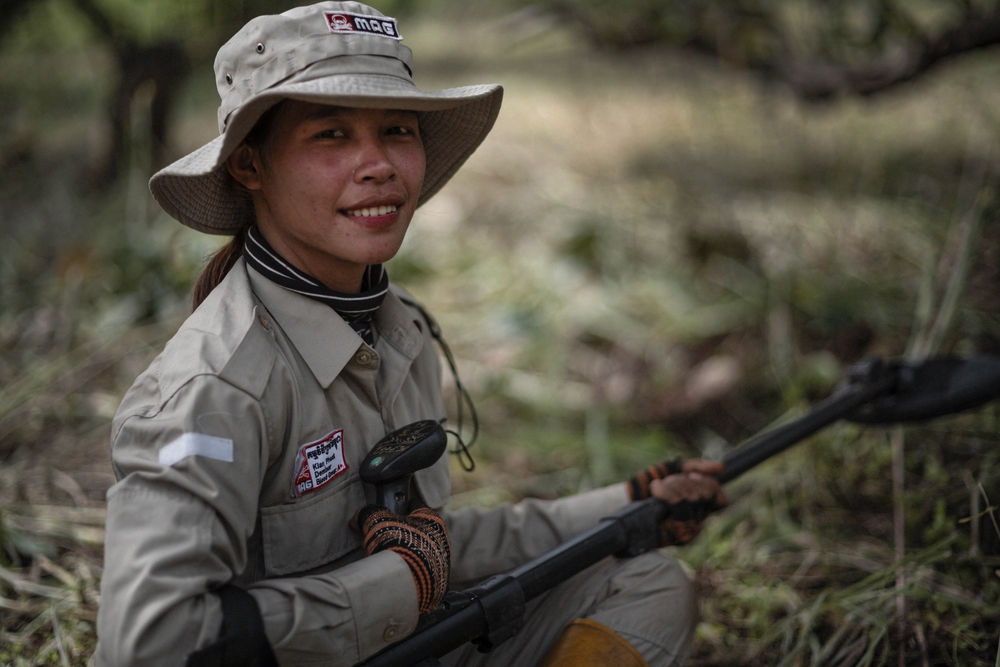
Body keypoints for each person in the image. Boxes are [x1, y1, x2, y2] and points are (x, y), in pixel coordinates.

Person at [94, 3, 727, 666]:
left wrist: (624, 506)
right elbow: (148, 641)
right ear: (250, 165)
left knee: (646, 581)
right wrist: (392, 585)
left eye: (397, 129)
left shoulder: (399, 329)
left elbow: (432, 543)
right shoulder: (214, 388)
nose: (379, 165)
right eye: (331, 135)